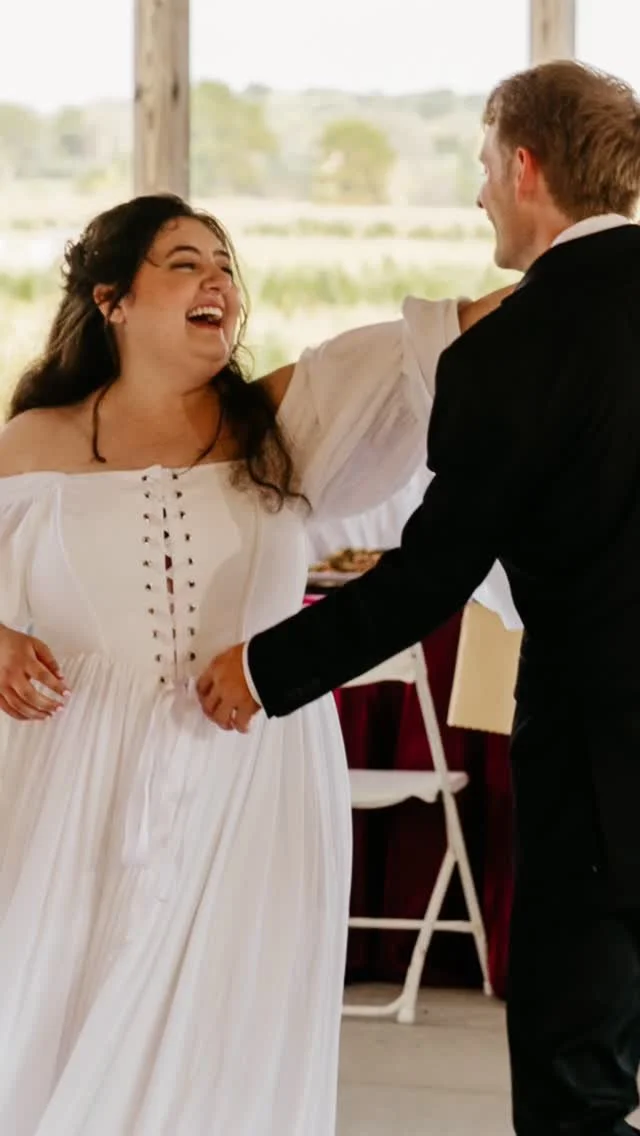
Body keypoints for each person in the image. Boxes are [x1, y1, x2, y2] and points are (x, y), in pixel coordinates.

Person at [0, 191, 505, 1135]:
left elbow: (439, 343)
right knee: (58, 1017)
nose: (218, 282)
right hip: (78, 786)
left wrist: (592, 258)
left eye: (225, 266)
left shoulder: (287, 419)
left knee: (230, 1036)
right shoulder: (34, 442)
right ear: (112, 300)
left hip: (256, 779)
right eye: (185, 263)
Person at [205, 61, 640, 1136]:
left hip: (601, 764)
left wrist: (263, 668)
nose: (479, 193)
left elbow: (430, 576)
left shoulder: (508, 354)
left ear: (526, 166)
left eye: (484, 165)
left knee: (578, 1075)